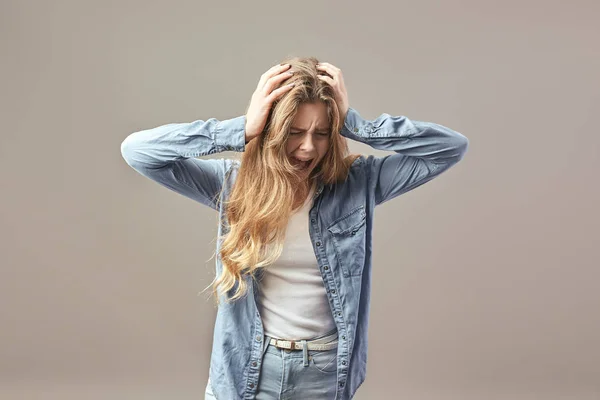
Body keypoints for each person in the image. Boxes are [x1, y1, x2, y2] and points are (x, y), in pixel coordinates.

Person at [120, 56, 469, 400]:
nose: (307, 147)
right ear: (271, 130)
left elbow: (450, 148)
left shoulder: (358, 184)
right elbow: (138, 151)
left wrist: (355, 124)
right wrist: (240, 129)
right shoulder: (234, 184)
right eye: (295, 132)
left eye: (321, 133)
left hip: (324, 373)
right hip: (246, 372)